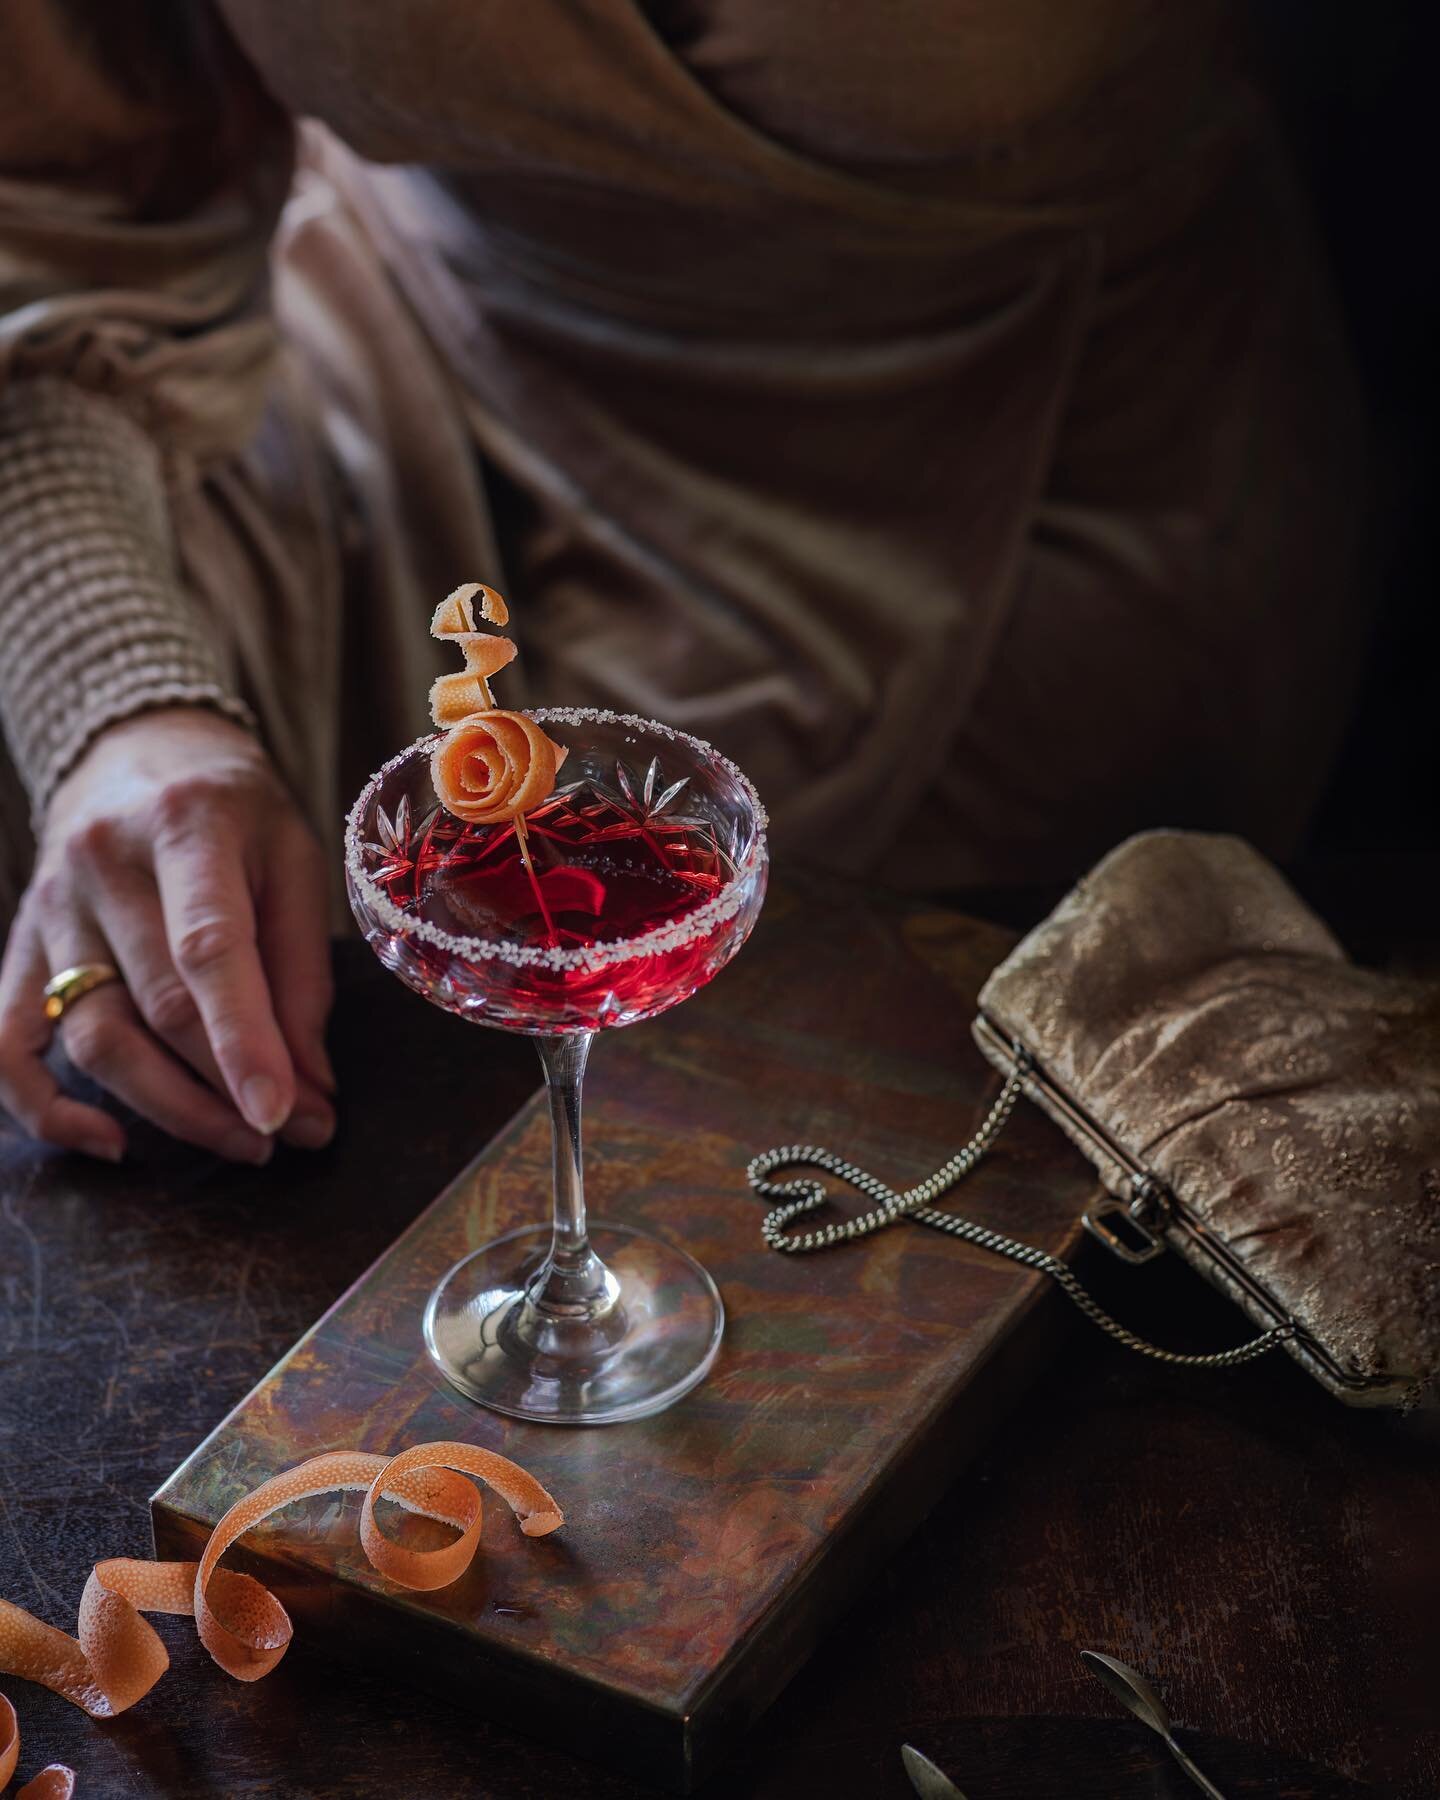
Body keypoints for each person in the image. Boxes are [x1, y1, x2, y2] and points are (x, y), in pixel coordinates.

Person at [0, 1, 1365, 1164]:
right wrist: (121, 709)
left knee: (799, 1115)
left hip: (1019, 470)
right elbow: (62, 207)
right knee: (124, 905)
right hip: (392, 349)